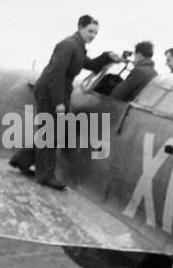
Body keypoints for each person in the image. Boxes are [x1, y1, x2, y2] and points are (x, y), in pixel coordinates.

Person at [11, 14, 120, 189]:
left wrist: (107, 57)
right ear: (80, 27)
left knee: (51, 130)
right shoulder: (68, 45)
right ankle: (45, 176)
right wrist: (58, 103)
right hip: (51, 90)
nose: (92, 35)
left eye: (95, 33)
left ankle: (21, 160)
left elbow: (89, 64)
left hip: (60, 90)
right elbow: (56, 75)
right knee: (51, 132)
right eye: (90, 31)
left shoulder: (79, 46)